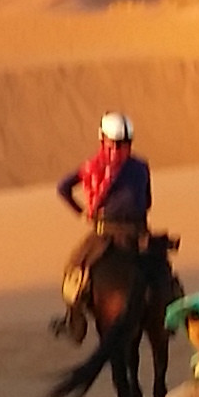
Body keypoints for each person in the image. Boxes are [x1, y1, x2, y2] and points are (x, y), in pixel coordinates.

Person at [56, 111, 161, 325]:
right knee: (164, 271)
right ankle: (170, 316)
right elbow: (148, 202)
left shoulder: (92, 168)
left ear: (102, 139)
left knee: (74, 269)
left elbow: (63, 188)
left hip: (106, 232)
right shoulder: (141, 166)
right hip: (139, 231)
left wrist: (82, 211)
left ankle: (73, 321)